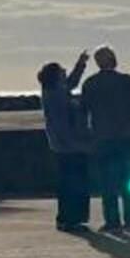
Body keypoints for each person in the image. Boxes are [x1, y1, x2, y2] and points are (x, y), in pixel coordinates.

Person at [80, 44, 130, 232]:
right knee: (129, 180)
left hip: (102, 138)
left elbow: (83, 113)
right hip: (126, 137)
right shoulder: (127, 81)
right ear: (114, 60)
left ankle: (112, 222)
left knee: (108, 182)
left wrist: (87, 135)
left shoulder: (90, 83)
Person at [37, 52, 91, 232]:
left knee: (69, 182)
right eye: (61, 71)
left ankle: (70, 219)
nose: (64, 71)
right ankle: (70, 219)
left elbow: (72, 82)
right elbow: (63, 124)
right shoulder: (56, 94)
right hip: (69, 146)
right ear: (55, 76)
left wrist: (81, 64)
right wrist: (78, 144)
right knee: (73, 183)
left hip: (64, 145)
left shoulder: (55, 91)